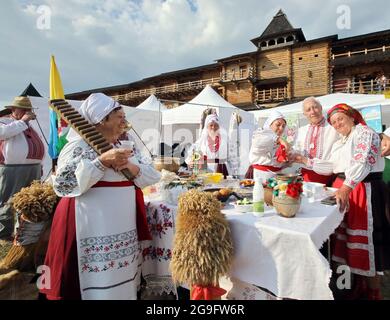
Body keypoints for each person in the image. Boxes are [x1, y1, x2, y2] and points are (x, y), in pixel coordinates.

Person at [40, 93, 161, 300]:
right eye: (119, 117)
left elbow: (153, 175)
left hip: (122, 225)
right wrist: (101, 162)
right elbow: (63, 184)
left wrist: (130, 167)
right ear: (101, 120)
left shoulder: (125, 145)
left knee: (122, 276)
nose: (125, 121)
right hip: (91, 224)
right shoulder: (77, 147)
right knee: (93, 279)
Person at [294, 103, 390, 300]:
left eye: (340, 119)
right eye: (334, 121)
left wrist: (347, 187)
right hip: (346, 190)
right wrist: (305, 161)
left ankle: (373, 293)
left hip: (363, 190)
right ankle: (353, 288)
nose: (337, 124)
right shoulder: (340, 142)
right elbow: (332, 167)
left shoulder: (364, 132)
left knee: (366, 244)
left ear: (352, 117)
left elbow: (363, 161)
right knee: (347, 245)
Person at [0, 96, 44, 241]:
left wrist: (40, 164)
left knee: (29, 201)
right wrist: (23, 121)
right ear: (13, 109)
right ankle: (4, 234)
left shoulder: (28, 125)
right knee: (8, 201)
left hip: (33, 167)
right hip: (13, 168)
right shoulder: (5, 121)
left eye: (29, 109)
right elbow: (3, 133)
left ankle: (24, 232)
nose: (28, 112)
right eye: (24, 109)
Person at [293, 97, 340, 185]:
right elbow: (297, 149)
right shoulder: (301, 131)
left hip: (330, 176)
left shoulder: (333, 127)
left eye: (315, 107)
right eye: (308, 110)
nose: (313, 112)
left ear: (321, 108)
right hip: (307, 176)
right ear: (304, 114)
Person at [248, 110, 290, 183]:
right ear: (270, 124)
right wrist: (278, 139)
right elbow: (258, 145)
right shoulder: (261, 134)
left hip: (277, 175)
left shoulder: (280, 141)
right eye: (278, 125)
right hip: (262, 175)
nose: (281, 128)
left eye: (283, 126)